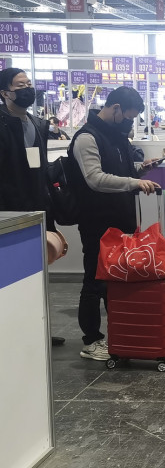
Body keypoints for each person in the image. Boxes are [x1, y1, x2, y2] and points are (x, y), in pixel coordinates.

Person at [68, 86, 160, 361]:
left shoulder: (116, 136)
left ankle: (119, 334)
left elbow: (120, 171)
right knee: (94, 281)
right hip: (97, 221)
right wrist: (134, 182)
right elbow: (95, 178)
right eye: (127, 116)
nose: (129, 122)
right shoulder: (87, 138)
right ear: (115, 107)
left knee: (117, 281)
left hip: (121, 220)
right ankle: (91, 340)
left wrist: (141, 170)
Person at [0, 67, 66, 346]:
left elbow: (37, 167)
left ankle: (36, 330)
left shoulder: (38, 124)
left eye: (29, 83)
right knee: (10, 274)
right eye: (20, 85)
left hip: (39, 208)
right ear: (5, 93)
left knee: (38, 272)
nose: (27, 88)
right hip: (10, 210)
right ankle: (13, 332)